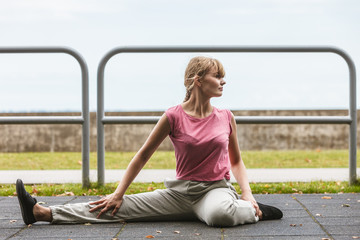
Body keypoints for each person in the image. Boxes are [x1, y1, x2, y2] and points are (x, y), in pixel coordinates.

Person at [16, 56, 282, 227]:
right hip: (181, 193)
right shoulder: (173, 116)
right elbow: (142, 156)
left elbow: (236, 161)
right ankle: (42, 212)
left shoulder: (226, 117)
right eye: (217, 76)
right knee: (116, 207)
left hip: (216, 191)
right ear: (198, 81)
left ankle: (252, 211)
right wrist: (119, 193)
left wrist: (247, 194)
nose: (223, 80)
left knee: (218, 216)